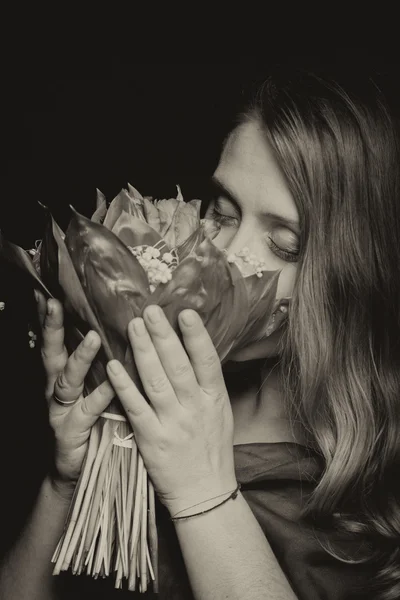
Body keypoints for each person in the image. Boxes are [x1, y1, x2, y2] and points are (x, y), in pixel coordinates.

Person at [1, 63, 400, 600]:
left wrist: (204, 494)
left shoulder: (371, 499)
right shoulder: (149, 392)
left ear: (361, 274)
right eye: (223, 212)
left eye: (284, 245)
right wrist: (62, 480)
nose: (224, 259)